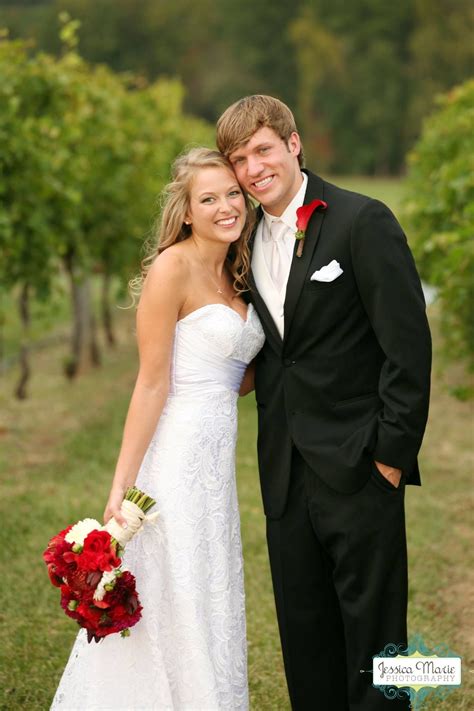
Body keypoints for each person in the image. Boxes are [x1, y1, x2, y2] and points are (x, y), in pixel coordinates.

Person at [216, 95, 432, 711]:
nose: (253, 168)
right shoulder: (244, 237)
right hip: (284, 475)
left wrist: (390, 457)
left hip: (361, 465)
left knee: (378, 646)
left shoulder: (363, 221)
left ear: (293, 143)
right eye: (239, 159)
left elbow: (408, 348)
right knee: (305, 641)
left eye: (262, 149)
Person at [50, 148, 265, 711]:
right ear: (187, 211)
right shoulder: (174, 267)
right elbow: (151, 384)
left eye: (232, 194)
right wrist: (122, 485)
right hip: (175, 458)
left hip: (216, 462)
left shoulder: (240, 272)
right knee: (177, 586)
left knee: (209, 585)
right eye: (208, 198)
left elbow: (230, 377)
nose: (225, 207)